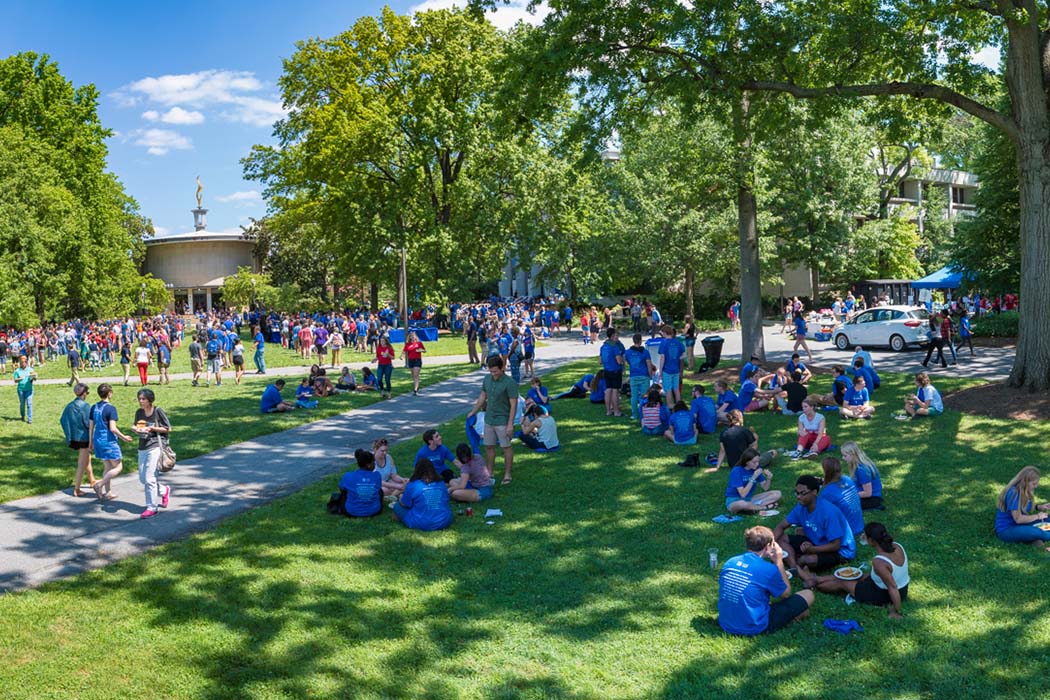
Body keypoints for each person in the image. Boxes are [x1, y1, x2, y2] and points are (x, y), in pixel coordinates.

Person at [797, 522, 908, 619]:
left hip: (884, 595)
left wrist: (896, 611)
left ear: (872, 540)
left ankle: (816, 584)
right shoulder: (897, 546)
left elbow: (892, 587)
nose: (862, 536)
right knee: (856, 574)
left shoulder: (879, 562)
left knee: (842, 582)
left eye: (865, 535)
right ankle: (817, 578)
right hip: (903, 589)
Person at [717, 525, 814, 636]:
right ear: (768, 546)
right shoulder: (768, 569)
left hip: (726, 623)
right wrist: (779, 562)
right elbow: (786, 594)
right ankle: (790, 620)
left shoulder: (730, 562)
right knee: (808, 594)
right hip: (755, 626)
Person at [774, 475, 856, 571]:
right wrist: (768, 545)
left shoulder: (828, 512)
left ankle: (798, 561)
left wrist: (812, 550)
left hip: (840, 551)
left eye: (802, 493)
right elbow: (781, 526)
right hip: (814, 542)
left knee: (809, 560)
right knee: (778, 538)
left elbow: (835, 545)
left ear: (814, 492)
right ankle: (794, 567)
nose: (798, 497)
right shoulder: (801, 506)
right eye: (797, 493)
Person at [467, 356, 518, 486]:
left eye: (495, 371)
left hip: (503, 420)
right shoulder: (487, 379)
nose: (493, 374)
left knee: (506, 447)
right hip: (489, 419)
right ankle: (489, 472)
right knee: (489, 446)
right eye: (491, 371)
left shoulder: (509, 383)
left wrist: (510, 424)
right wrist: (473, 411)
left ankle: (507, 474)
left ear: (502, 368)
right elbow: (483, 396)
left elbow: (513, 404)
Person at [89, 383, 134, 501]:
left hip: (97, 439)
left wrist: (91, 442)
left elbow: (91, 427)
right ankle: (99, 484)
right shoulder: (110, 408)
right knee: (118, 467)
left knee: (107, 467)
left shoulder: (94, 407)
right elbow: (113, 428)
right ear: (110, 393)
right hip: (108, 441)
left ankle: (108, 492)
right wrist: (124, 437)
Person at [132, 388, 172, 519]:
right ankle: (164, 490)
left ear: (150, 400)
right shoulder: (139, 412)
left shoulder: (157, 411)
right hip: (142, 446)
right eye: (139, 399)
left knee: (149, 479)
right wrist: (135, 429)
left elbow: (168, 428)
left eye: (143, 399)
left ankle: (152, 507)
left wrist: (152, 428)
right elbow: (136, 425)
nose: (141, 401)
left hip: (155, 446)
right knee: (143, 478)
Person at [995, 466, 1050, 547]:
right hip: (1007, 529)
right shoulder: (1014, 493)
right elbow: (1018, 519)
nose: (1036, 486)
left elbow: (1024, 505)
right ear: (1025, 482)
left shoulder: (1025, 490)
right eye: (1034, 483)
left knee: (1047, 518)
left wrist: (1039, 507)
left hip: (1023, 525)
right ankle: (1037, 537)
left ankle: (1033, 539)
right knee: (1036, 532)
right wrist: (1037, 516)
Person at [392, 458, 453, 531]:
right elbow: (446, 499)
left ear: (417, 470)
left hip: (422, 522)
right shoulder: (441, 482)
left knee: (396, 506)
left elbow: (404, 504)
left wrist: (401, 497)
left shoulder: (413, 485)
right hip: (444, 520)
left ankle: (400, 518)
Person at [60, 382, 97, 497]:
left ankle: (92, 480)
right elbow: (88, 423)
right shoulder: (85, 406)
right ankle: (77, 489)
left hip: (74, 437)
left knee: (87, 459)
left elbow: (62, 420)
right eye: (87, 392)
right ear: (84, 393)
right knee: (82, 463)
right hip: (84, 438)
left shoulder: (69, 405)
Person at [817, 456, 865, 538]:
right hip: (859, 525)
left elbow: (820, 513)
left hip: (847, 530)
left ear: (826, 472)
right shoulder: (847, 479)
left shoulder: (827, 492)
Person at [724, 448, 781, 514]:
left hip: (749, 498)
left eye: (758, 461)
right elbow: (743, 494)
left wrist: (769, 478)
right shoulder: (736, 471)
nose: (757, 464)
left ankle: (752, 507)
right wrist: (753, 477)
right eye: (754, 462)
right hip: (734, 500)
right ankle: (764, 507)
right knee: (742, 504)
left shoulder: (756, 468)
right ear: (746, 462)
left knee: (777, 493)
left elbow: (765, 488)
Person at [338, 448, 383, 517]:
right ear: (368, 465)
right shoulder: (377, 475)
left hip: (352, 511)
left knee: (345, 491)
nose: (375, 464)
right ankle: (371, 504)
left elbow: (341, 489)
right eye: (373, 462)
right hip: (374, 510)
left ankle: (354, 504)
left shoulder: (348, 476)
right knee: (380, 491)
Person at [840, 441, 884, 510]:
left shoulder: (862, 470)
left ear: (853, 455)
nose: (843, 458)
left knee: (841, 503)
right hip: (864, 495)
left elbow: (868, 493)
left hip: (871, 498)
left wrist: (849, 495)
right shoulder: (858, 466)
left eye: (845, 456)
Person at [624, 333, 655, 420]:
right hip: (644, 375)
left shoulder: (628, 352)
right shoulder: (645, 352)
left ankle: (634, 414)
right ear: (641, 341)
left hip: (633, 376)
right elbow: (649, 365)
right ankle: (644, 413)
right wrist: (650, 375)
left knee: (633, 396)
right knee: (644, 395)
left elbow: (628, 362)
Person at [600, 328, 626, 417]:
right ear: (612, 336)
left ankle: (608, 411)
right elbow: (619, 361)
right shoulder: (614, 347)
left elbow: (600, 361)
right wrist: (623, 362)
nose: (617, 337)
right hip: (615, 370)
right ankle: (616, 411)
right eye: (616, 335)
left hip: (607, 370)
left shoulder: (603, 346)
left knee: (608, 390)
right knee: (615, 391)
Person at [657, 324, 686, 407]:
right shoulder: (678, 342)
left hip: (667, 370)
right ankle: (679, 405)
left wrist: (660, 371)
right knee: (676, 389)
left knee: (668, 389)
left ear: (665, 333)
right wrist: (677, 358)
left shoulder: (664, 343)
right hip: (676, 369)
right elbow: (684, 355)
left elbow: (662, 358)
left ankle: (670, 405)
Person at [13, 356, 37, 424]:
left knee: (29, 404)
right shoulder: (17, 371)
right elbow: (15, 380)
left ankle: (30, 420)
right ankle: (22, 416)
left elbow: (34, 378)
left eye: (24, 362)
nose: (23, 363)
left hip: (29, 390)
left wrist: (33, 377)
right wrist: (19, 379)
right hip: (21, 390)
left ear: (26, 362)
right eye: (21, 362)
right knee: (22, 404)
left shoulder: (30, 370)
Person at [401, 331, 426, 395]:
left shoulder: (419, 343)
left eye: (413, 336)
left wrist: (420, 350)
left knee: (415, 375)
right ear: (409, 337)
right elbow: (404, 351)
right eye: (411, 336)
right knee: (413, 376)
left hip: (417, 360)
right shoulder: (407, 344)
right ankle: (416, 386)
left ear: (415, 337)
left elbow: (424, 350)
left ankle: (415, 390)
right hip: (410, 360)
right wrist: (401, 356)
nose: (412, 337)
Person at [375, 334, 395, 399]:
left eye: (383, 341)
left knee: (387, 379)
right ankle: (382, 391)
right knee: (379, 379)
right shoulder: (379, 348)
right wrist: (375, 359)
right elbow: (378, 356)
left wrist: (388, 354)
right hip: (380, 365)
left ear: (386, 341)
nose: (382, 342)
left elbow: (393, 357)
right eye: (381, 341)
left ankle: (389, 392)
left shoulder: (389, 348)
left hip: (388, 365)